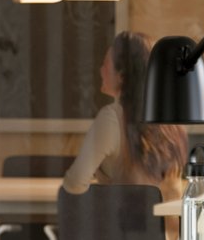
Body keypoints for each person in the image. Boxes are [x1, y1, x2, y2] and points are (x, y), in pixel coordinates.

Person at [63, 31, 188, 206]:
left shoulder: (112, 119)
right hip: (169, 232)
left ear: (122, 76)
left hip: (121, 230)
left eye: (106, 64)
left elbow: (74, 185)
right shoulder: (171, 123)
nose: (100, 70)